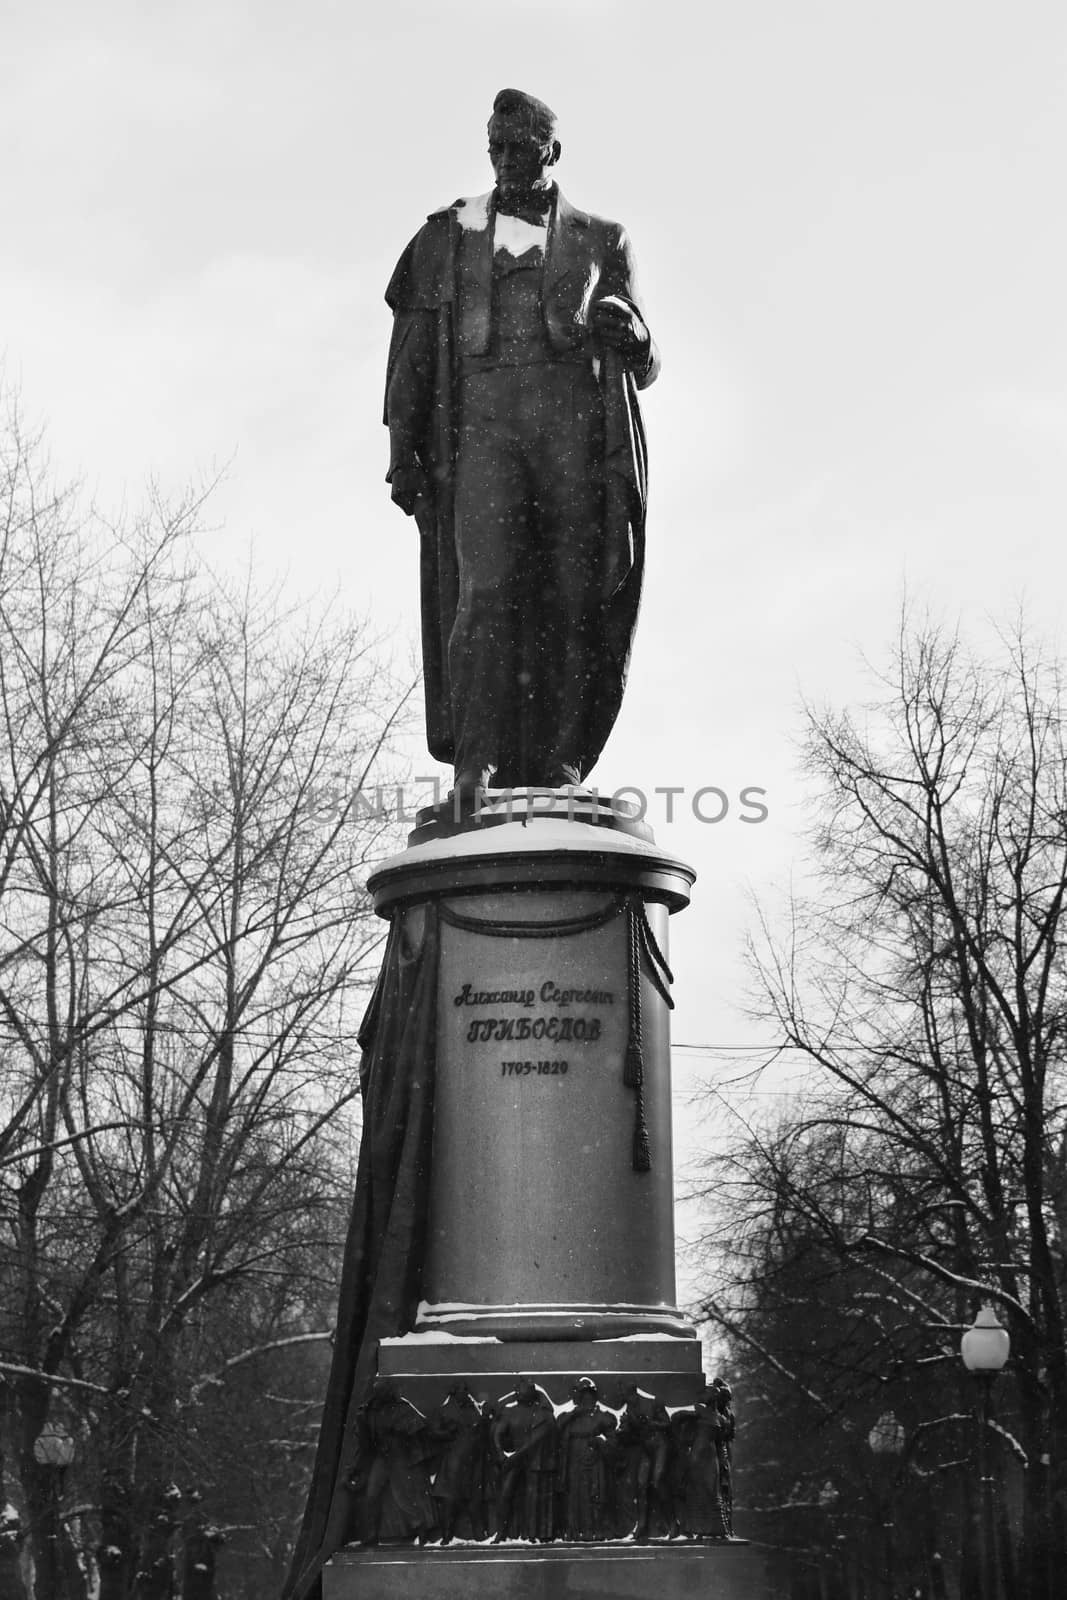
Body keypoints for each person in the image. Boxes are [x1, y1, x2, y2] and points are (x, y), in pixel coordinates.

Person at [385, 88, 659, 801]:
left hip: (573, 435)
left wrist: (638, 339)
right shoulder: (447, 236)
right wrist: (402, 450)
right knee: (486, 589)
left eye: (519, 149)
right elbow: (412, 351)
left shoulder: (602, 238)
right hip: (482, 431)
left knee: (574, 596)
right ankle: (478, 762)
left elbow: (643, 362)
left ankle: (561, 762)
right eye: (495, 148)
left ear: (550, 153)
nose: (504, 161)